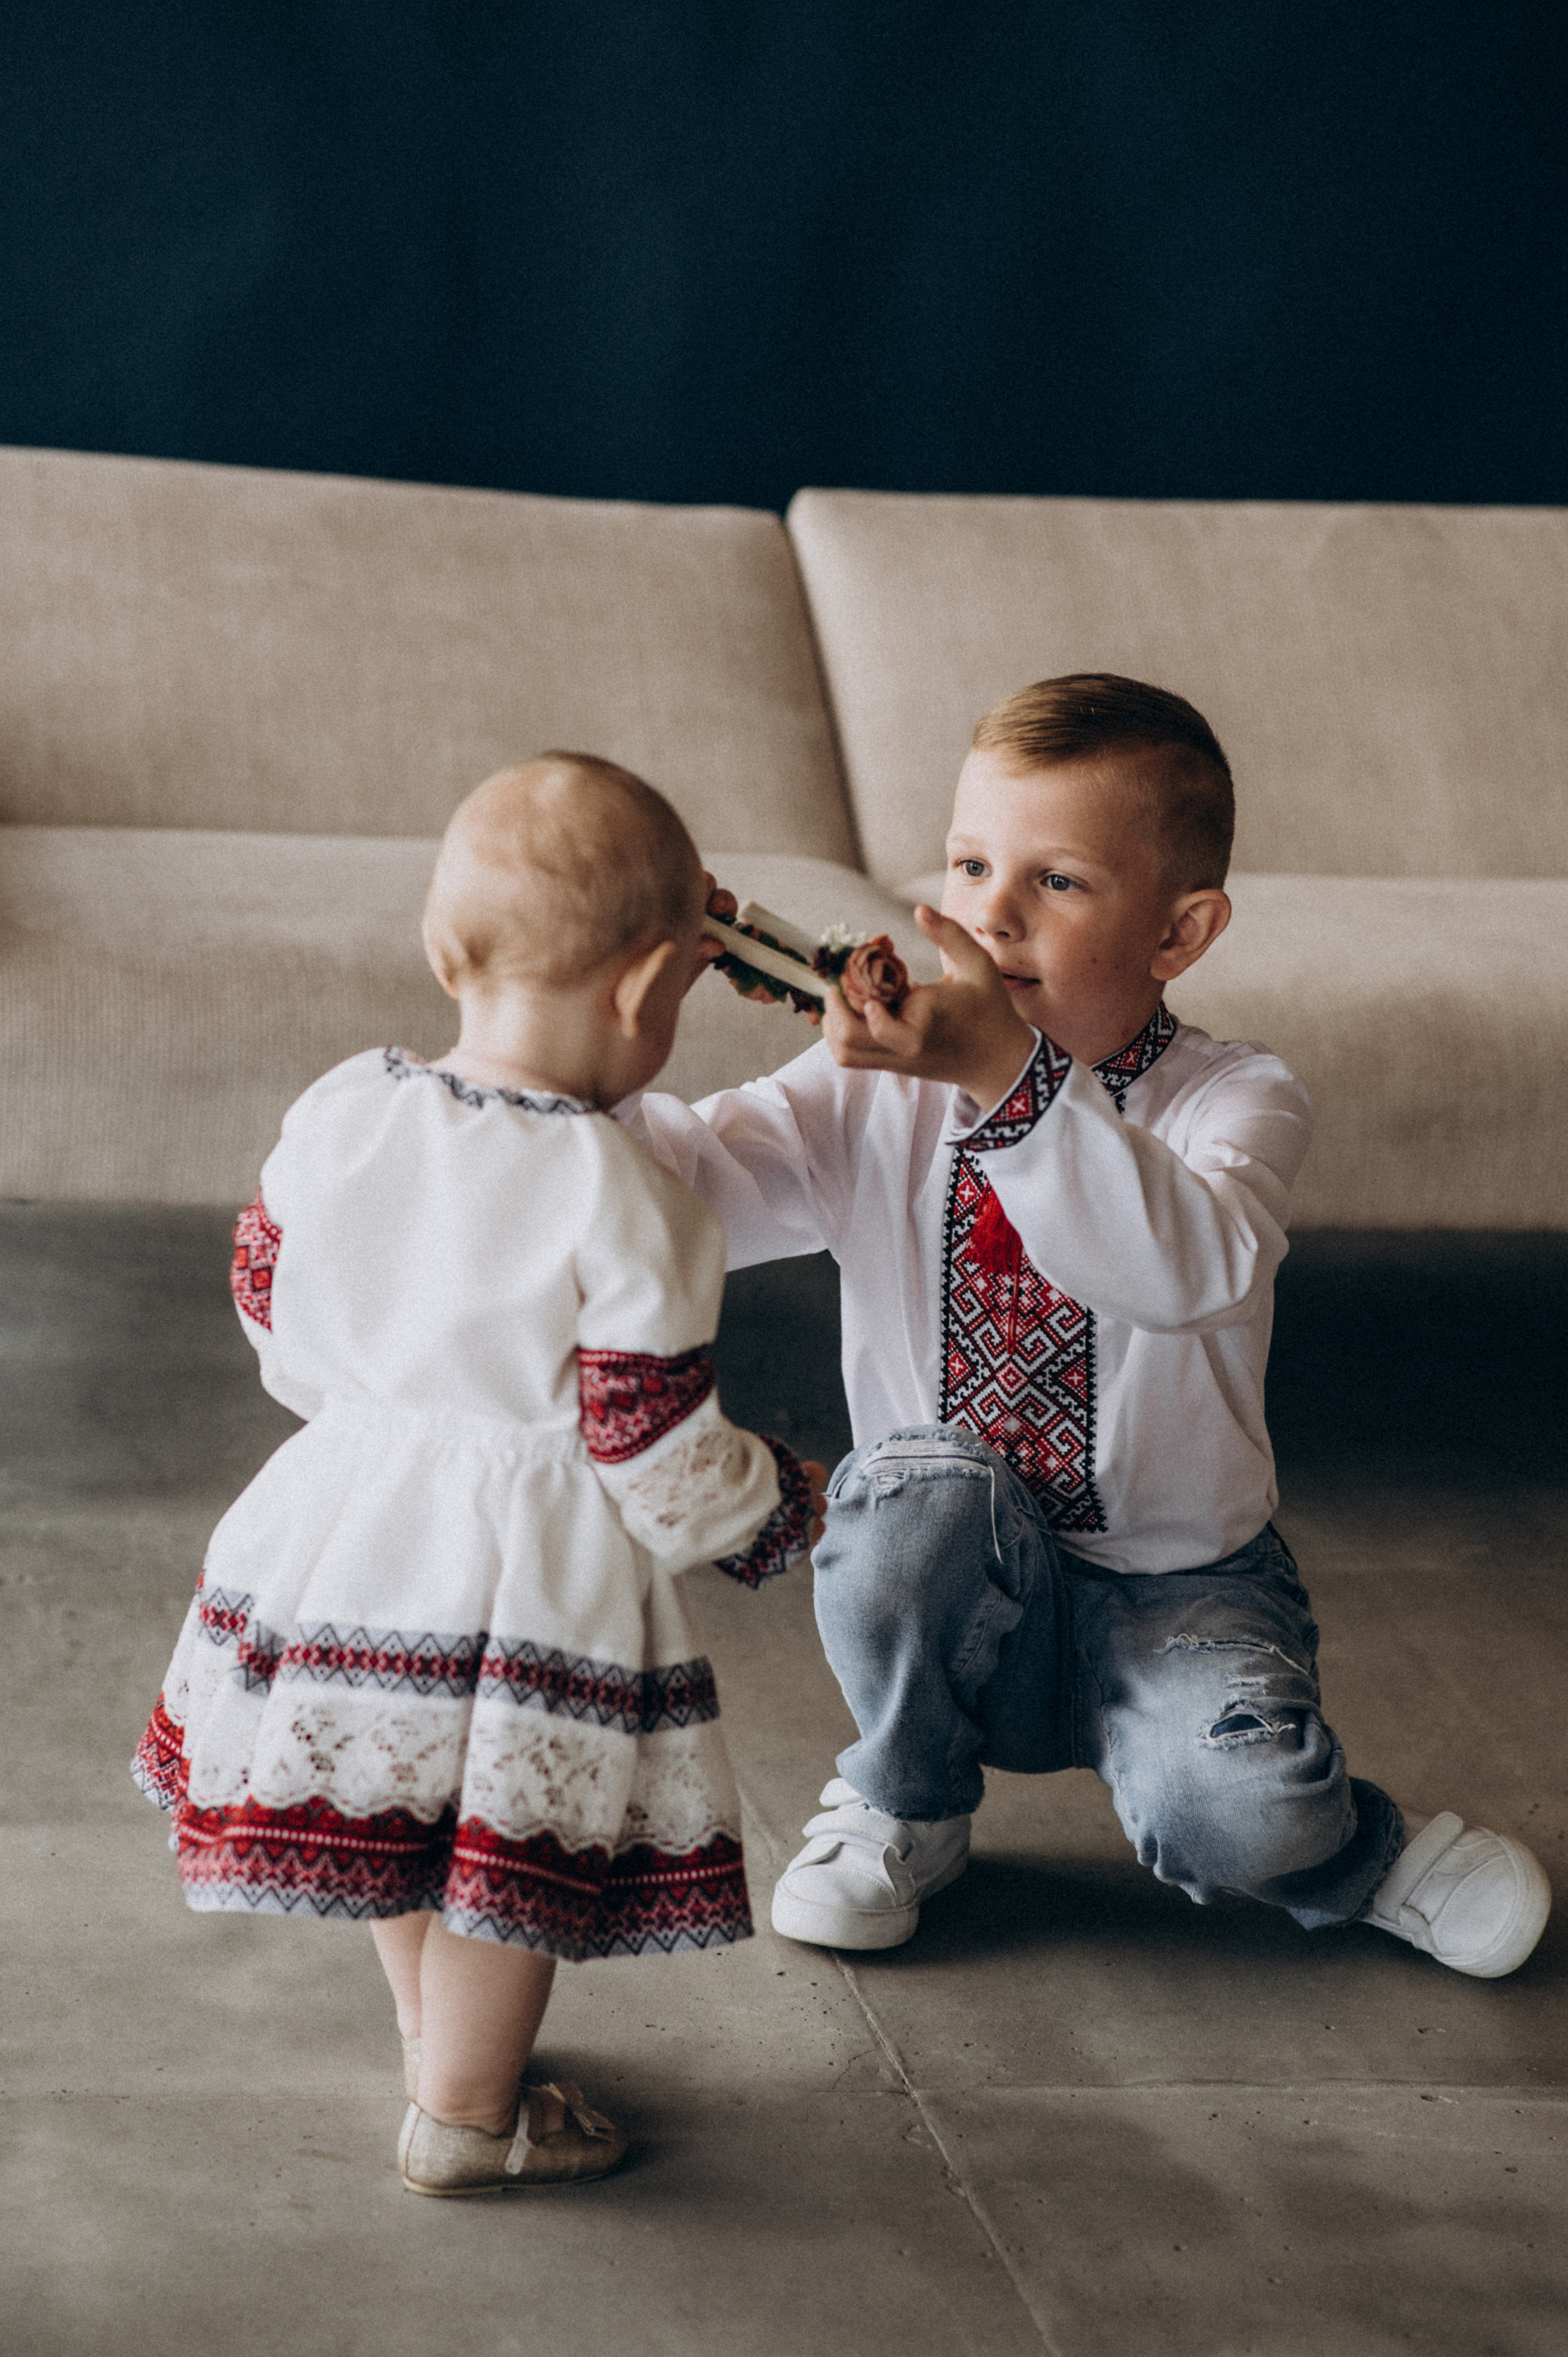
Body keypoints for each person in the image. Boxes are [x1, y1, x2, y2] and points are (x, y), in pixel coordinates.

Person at [624, 675, 1551, 1980]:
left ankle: (1349, 1851)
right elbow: (684, 1187)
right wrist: (580, 1053)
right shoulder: (868, 1092)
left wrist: (1007, 1079)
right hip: (955, 1564)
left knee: (1229, 1811)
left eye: (1054, 882)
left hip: (1178, 1588)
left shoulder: (1236, 1100)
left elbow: (1184, 1266)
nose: (989, 912)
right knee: (901, 1495)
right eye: (966, 863)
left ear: (1178, 933)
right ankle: (907, 1797)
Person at [133, 754, 827, 2197]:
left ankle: (425, 2031)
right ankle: (467, 2111)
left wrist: (363, 1418)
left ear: (447, 951)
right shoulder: (628, 1195)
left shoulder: (342, 1110)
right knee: (515, 1832)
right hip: (536, 1565)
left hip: (348, 1516)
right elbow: (644, 1439)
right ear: (646, 994)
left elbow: (267, 1286)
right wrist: (784, 1506)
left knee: (395, 1800)